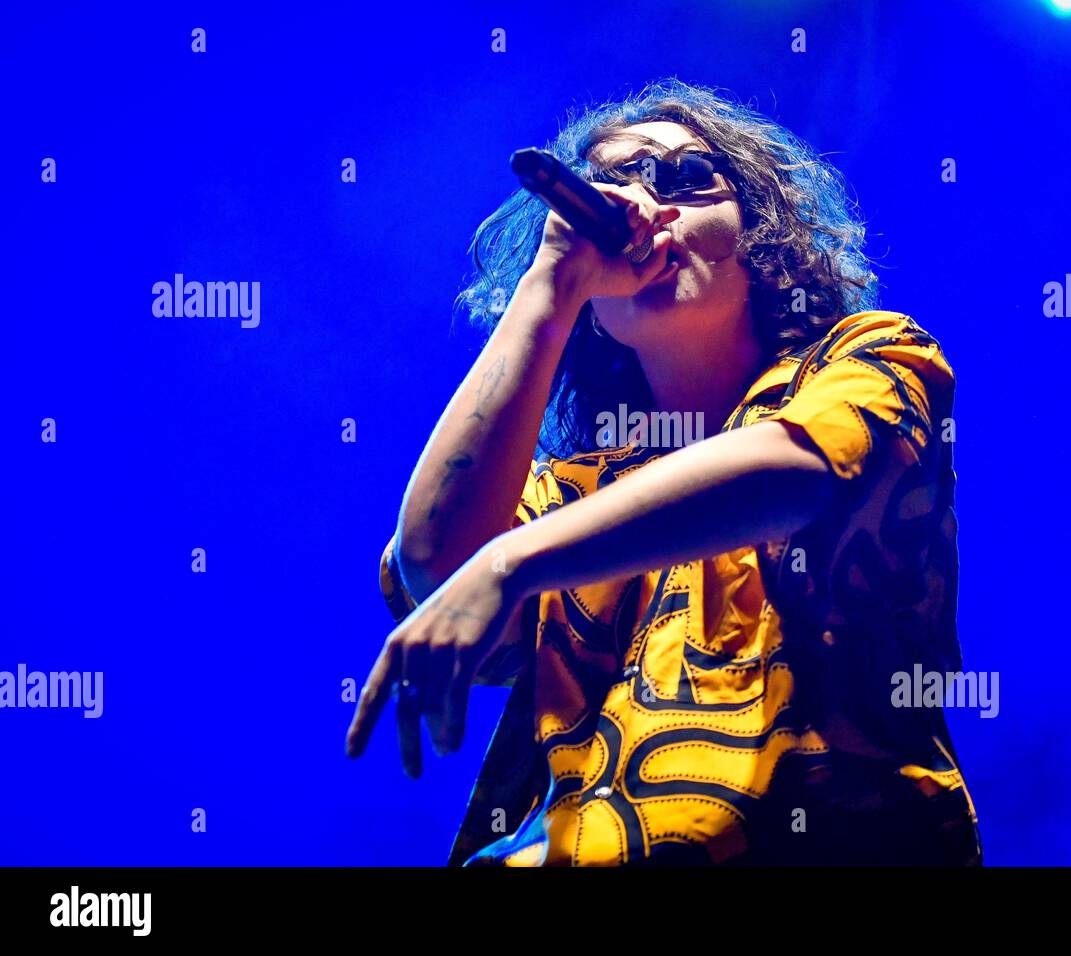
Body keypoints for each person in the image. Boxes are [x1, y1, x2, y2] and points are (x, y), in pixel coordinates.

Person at [345, 78, 981, 866]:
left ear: (759, 236)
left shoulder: (876, 356)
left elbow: (796, 469)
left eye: (686, 177)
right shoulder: (572, 491)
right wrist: (553, 280)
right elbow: (437, 564)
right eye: (613, 188)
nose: (647, 206)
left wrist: (510, 564)